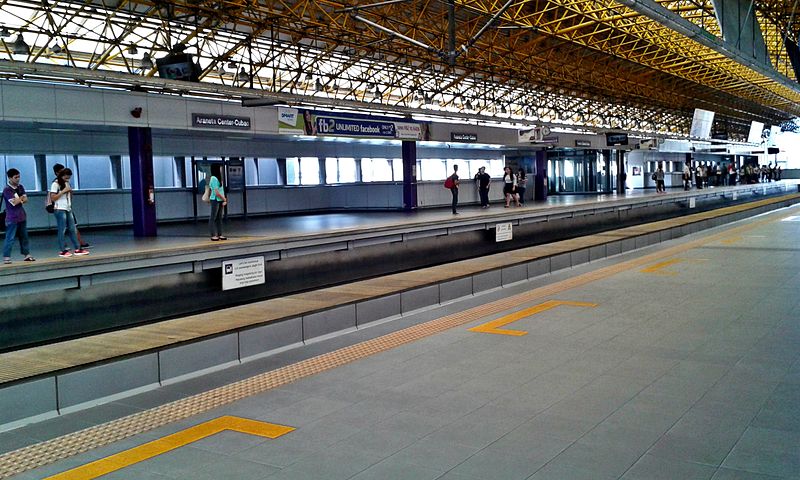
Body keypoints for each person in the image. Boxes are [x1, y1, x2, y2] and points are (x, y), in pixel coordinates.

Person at [50, 168, 89, 258]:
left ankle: (78, 248)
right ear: (62, 176)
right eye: (66, 178)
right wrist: (63, 191)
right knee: (62, 229)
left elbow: (69, 195)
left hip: (68, 208)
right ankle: (62, 250)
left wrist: (70, 193)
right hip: (59, 208)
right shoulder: (55, 184)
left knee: (72, 228)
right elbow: (53, 198)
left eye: (69, 178)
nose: (67, 180)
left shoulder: (67, 183)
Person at [2, 169, 35, 264]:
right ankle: (7, 256)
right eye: (15, 177)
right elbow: (14, 202)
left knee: (24, 236)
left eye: (19, 177)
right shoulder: (7, 190)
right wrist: (21, 198)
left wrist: (19, 199)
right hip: (12, 217)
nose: (18, 179)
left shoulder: (20, 187)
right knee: (10, 237)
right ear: (10, 178)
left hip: (22, 216)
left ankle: (26, 254)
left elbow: (26, 199)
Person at [209, 164, 228, 240]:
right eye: (220, 168)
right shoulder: (213, 178)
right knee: (213, 217)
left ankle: (220, 234)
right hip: (215, 199)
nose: (221, 170)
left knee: (219, 218)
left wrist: (223, 199)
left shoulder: (219, 178)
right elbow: (216, 192)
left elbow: (221, 190)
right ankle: (213, 234)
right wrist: (224, 199)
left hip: (220, 200)